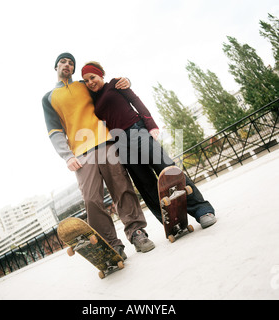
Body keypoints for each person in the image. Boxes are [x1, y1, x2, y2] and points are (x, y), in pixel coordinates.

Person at [42, 53, 155, 259]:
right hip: (80, 153)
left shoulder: (84, 86)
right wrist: (67, 156)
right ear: (56, 66)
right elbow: (54, 130)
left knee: (122, 188)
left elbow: (106, 89)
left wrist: (126, 81)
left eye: (71, 63)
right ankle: (111, 245)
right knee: (91, 199)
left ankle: (137, 232)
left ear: (74, 69)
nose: (67, 65)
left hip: (106, 142)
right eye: (63, 62)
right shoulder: (48, 98)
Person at [81, 61, 216, 229]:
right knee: (146, 185)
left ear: (101, 74)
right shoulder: (93, 99)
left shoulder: (116, 83)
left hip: (137, 130)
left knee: (168, 169)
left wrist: (151, 124)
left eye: (92, 77)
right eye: (86, 80)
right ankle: (170, 222)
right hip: (120, 143)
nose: (90, 82)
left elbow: (135, 101)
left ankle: (202, 210)